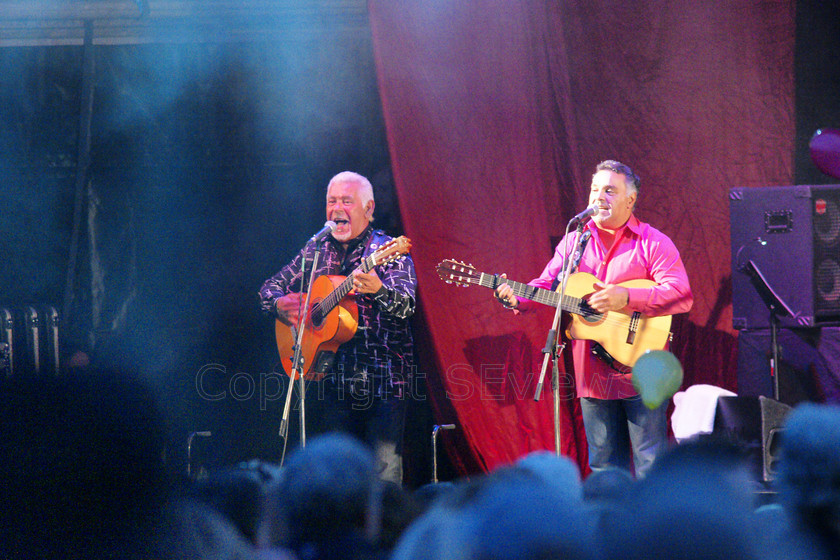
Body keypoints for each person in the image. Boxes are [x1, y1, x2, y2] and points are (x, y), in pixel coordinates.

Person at [495, 160, 693, 477]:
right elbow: (546, 284)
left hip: (643, 370)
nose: (599, 197)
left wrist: (626, 297)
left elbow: (681, 294)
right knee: (603, 467)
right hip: (593, 373)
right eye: (595, 189)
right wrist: (516, 297)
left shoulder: (653, 242)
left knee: (650, 464)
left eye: (610, 190)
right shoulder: (575, 241)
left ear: (631, 199)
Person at [259, 171, 416, 484]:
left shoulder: (387, 251)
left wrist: (379, 291)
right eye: (332, 201)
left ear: (368, 209)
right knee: (337, 480)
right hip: (334, 382)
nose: (337, 209)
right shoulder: (316, 251)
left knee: (383, 481)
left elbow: (408, 305)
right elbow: (269, 287)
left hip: (383, 383)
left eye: (347, 201)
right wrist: (280, 305)